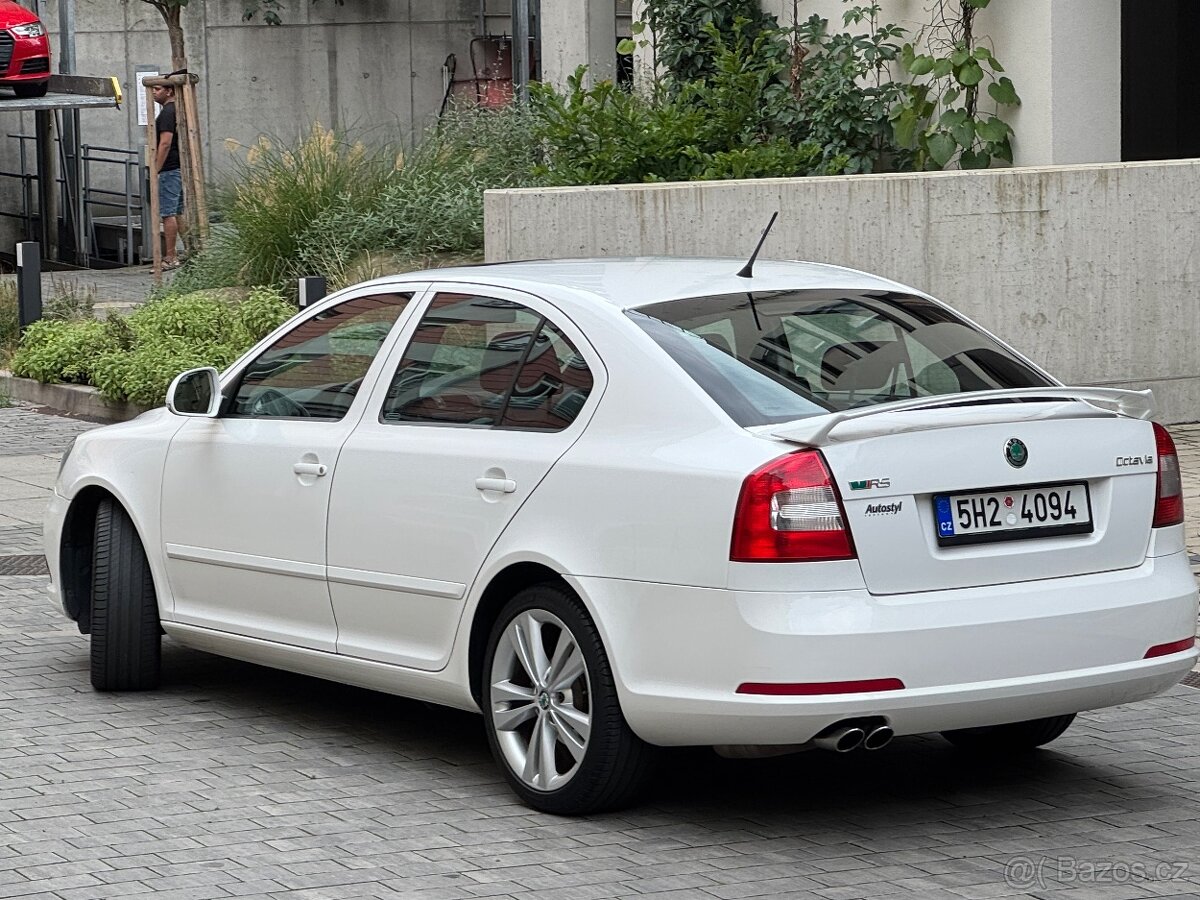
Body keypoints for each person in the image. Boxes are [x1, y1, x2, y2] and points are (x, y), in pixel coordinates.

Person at [152, 75, 183, 269]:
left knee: (168, 212)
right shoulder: (177, 109)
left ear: (169, 91)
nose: (154, 93)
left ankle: (170, 256)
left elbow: (165, 143)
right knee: (178, 212)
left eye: (157, 89)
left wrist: (157, 167)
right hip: (178, 166)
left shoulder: (167, 113)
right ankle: (189, 251)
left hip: (169, 168)